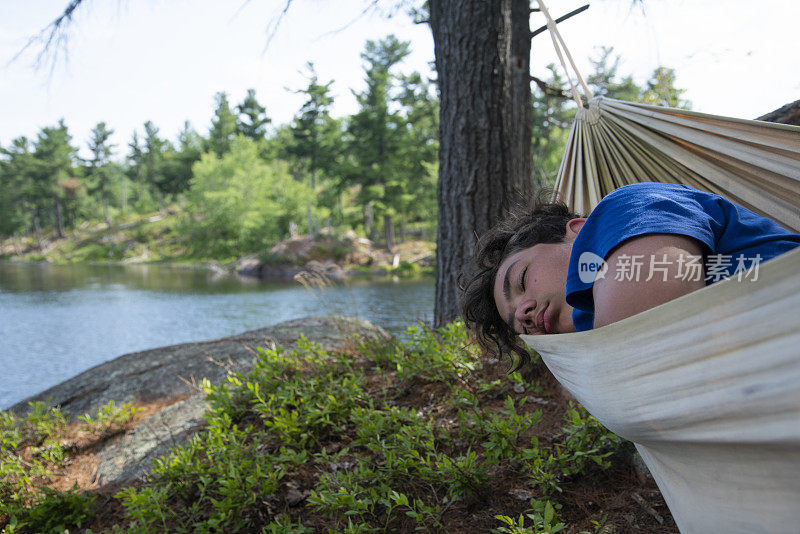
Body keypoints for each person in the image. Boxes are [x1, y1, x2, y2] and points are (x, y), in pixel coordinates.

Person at [460, 182, 800, 368]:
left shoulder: (624, 209)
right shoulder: (593, 324)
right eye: (518, 325)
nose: (523, 314)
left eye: (520, 281)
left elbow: (641, 335)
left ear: (578, 231)